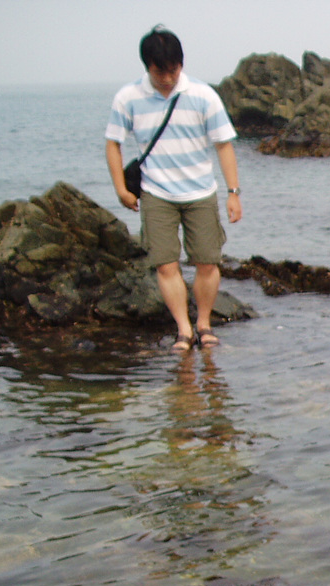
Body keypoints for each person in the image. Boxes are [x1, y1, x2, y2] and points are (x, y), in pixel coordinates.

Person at [105, 25, 242, 351]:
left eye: (173, 70)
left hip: (201, 192)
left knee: (207, 262)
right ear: (147, 66)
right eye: (159, 71)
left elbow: (224, 145)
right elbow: (113, 143)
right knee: (166, 264)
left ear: (181, 64)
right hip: (156, 194)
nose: (167, 78)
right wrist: (120, 189)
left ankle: (204, 324)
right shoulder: (128, 98)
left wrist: (233, 193)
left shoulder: (203, 95)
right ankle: (184, 329)